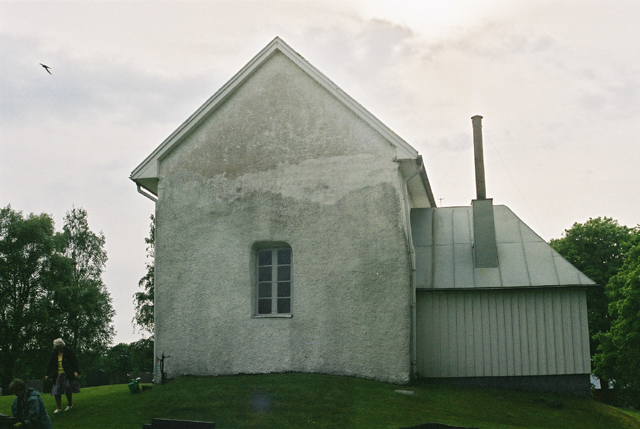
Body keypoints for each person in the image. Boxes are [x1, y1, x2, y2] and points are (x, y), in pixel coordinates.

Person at [44, 338, 80, 413]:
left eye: (58, 347)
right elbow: (50, 364)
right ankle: (59, 407)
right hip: (57, 374)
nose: (57, 348)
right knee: (56, 391)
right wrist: (47, 374)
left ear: (61, 346)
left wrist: (75, 371)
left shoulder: (68, 351)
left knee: (68, 389)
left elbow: (74, 361)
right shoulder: (54, 353)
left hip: (67, 373)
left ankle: (70, 404)